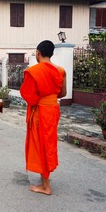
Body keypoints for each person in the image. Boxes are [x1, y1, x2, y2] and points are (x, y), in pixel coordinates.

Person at [20, 40, 66, 195]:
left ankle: (46, 186)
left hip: (40, 111)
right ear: (52, 53)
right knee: (49, 142)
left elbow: (30, 98)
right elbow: (62, 93)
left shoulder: (34, 71)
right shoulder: (60, 70)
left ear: (38, 53)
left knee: (41, 145)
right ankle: (45, 178)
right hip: (53, 109)